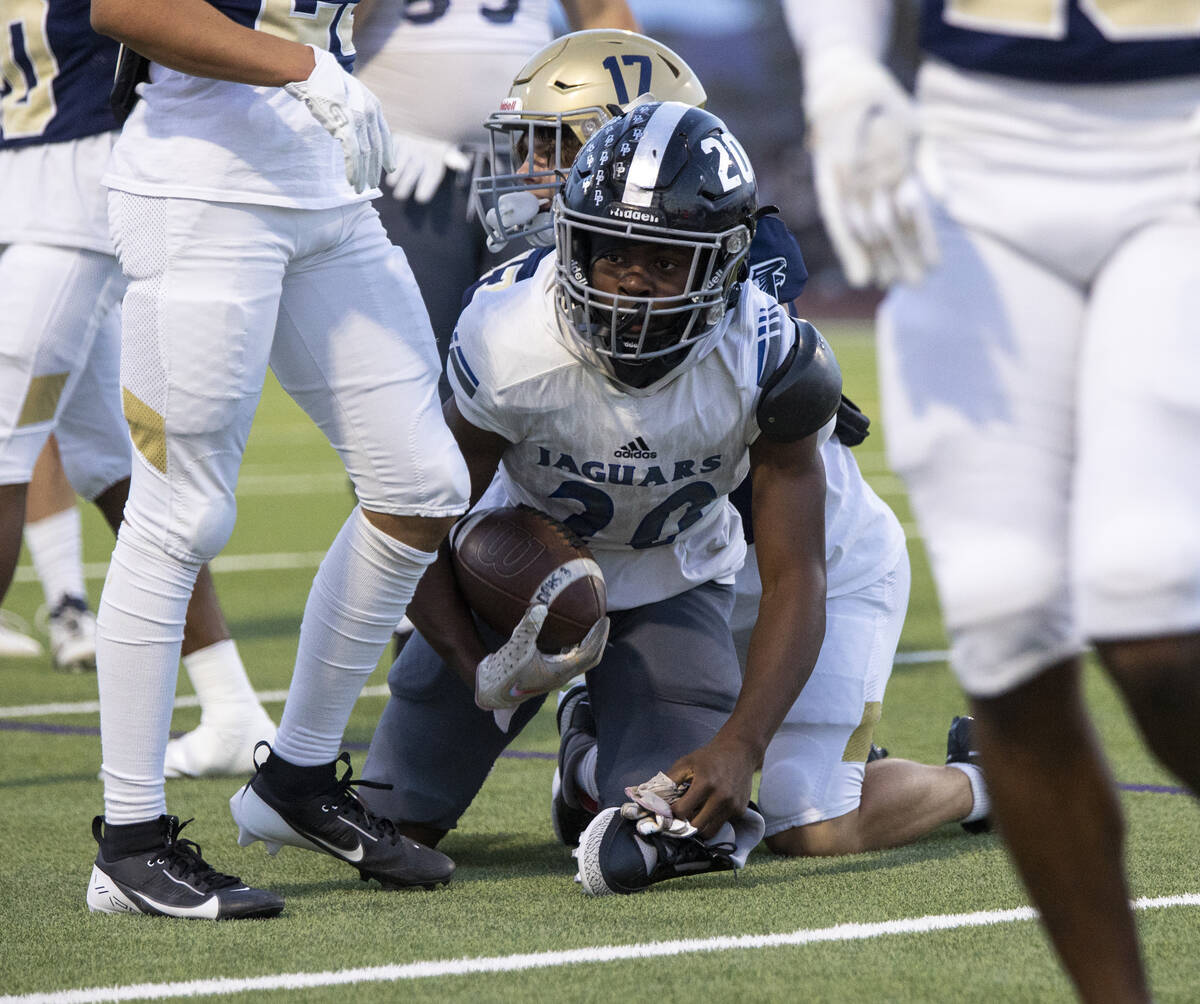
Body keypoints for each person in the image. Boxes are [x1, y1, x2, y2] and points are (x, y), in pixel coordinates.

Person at [373, 27, 988, 870]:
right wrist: (467, 619)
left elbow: (776, 535)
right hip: (665, 556)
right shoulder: (533, 302)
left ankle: (992, 775)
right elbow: (430, 494)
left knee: (807, 820)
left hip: (776, 564)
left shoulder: (742, 309)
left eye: (553, 148)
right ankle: (594, 758)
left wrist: (741, 736)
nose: (527, 172)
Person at [785, 1, 1200, 999]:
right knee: (1007, 624)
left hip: (1183, 147)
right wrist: (839, 66)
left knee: (1149, 604)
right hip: (973, 157)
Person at [85, 0, 470, 919]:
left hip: (326, 193)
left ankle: (294, 780)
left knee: (422, 482)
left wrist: (331, 63)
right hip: (202, 185)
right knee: (180, 512)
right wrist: (305, 70)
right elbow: (126, 8)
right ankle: (129, 844)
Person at [0, 1, 275, 774]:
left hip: (74, 193)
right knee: (115, 467)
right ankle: (230, 707)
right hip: (29, 185)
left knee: (3, 450)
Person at [351, 0, 639, 401]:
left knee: (548, 358)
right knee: (407, 373)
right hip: (402, 166)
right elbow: (331, 24)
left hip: (539, 165)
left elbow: (604, 19)